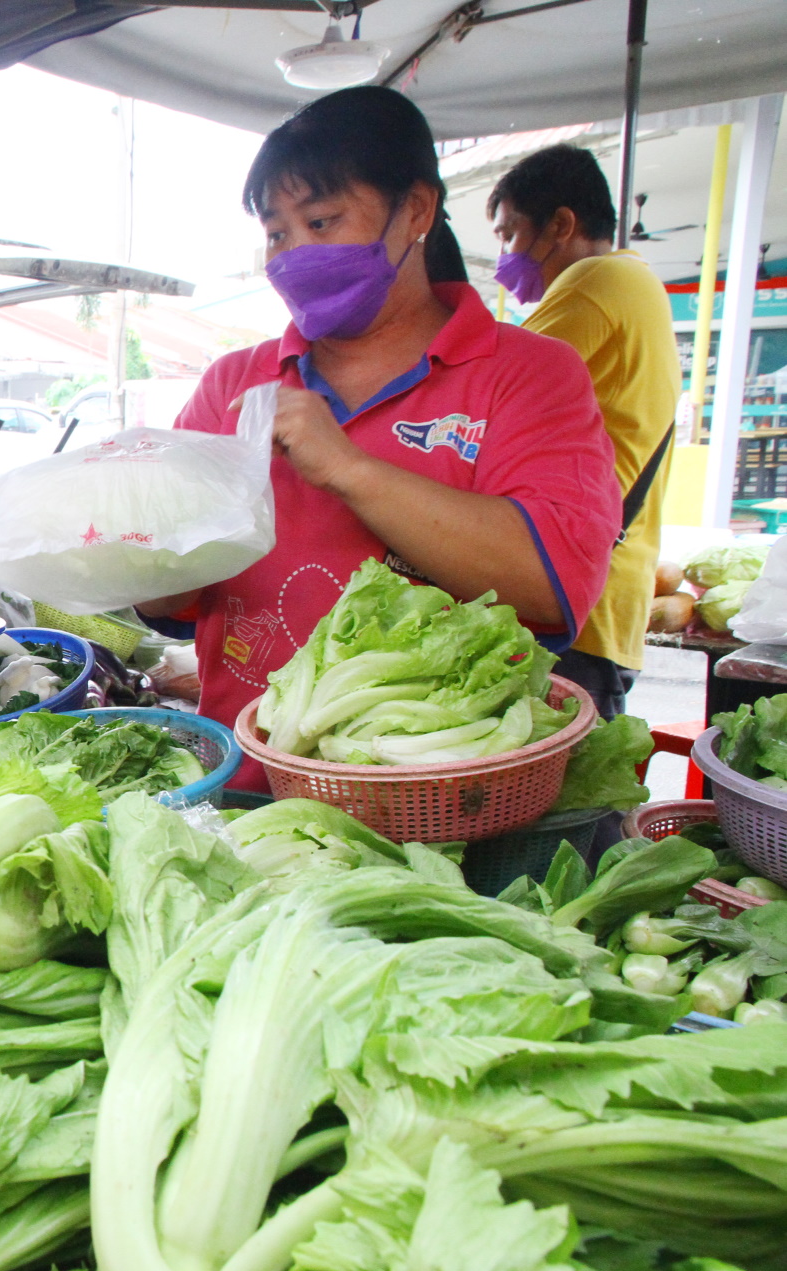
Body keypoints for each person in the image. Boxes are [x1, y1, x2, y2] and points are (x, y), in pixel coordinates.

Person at [143, 87, 622, 784]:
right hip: (249, 798)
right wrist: (131, 524)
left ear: (417, 211)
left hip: (445, 813)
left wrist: (349, 469)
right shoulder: (233, 386)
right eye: (278, 234)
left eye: (322, 221)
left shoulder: (530, 375)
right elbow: (161, 601)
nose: (294, 252)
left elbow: (552, 588)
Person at [489, 144, 679, 718]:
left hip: (574, 602)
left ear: (562, 225)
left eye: (510, 234)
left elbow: (489, 381)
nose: (505, 255)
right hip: (606, 597)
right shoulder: (637, 284)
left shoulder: (598, 279)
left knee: (560, 797)